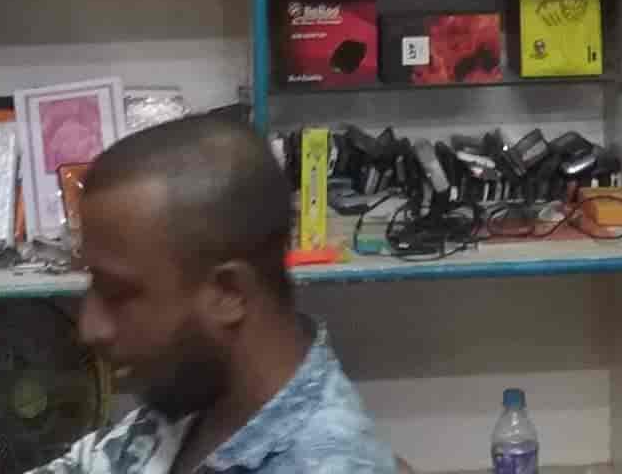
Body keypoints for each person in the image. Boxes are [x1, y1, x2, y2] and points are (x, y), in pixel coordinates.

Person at [31, 114, 396, 474]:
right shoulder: (200, 390)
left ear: (229, 293)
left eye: (117, 293)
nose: (90, 328)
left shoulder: (326, 462)